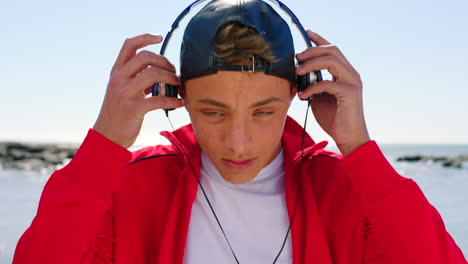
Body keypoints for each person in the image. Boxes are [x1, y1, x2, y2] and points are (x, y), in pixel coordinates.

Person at [13, 0, 467, 263]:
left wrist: (360, 148)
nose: (238, 142)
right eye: (213, 112)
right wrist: (105, 145)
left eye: (263, 112)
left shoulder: (344, 190)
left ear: (297, 95)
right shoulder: (134, 187)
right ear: (179, 97)